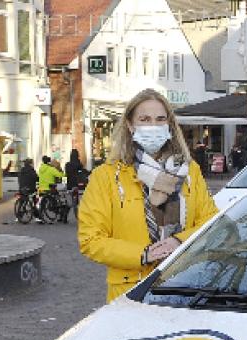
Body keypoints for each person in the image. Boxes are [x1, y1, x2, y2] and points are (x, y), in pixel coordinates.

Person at [78, 88, 218, 303]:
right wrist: (143, 254)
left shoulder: (189, 172)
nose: (153, 126)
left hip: (185, 286)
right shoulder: (106, 177)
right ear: (130, 125)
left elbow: (211, 223)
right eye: (144, 119)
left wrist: (179, 241)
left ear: (170, 126)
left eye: (160, 119)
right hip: (131, 292)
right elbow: (91, 240)